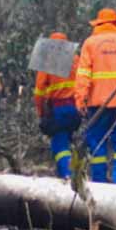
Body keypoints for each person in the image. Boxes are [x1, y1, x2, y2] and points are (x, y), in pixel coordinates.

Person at [74, 8, 116, 184]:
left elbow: (83, 75)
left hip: (97, 104)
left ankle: (99, 183)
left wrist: (80, 99)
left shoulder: (90, 43)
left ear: (98, 24)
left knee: (97, 143)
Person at [34, 32, 80, 179]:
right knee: (68, 140)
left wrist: (41, 113)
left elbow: (39, 92)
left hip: (59, 109)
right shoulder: (76, 59)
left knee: (60, 145)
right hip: (75, 109)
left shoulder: (48, 62)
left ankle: (68, 177)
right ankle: (72, 174)